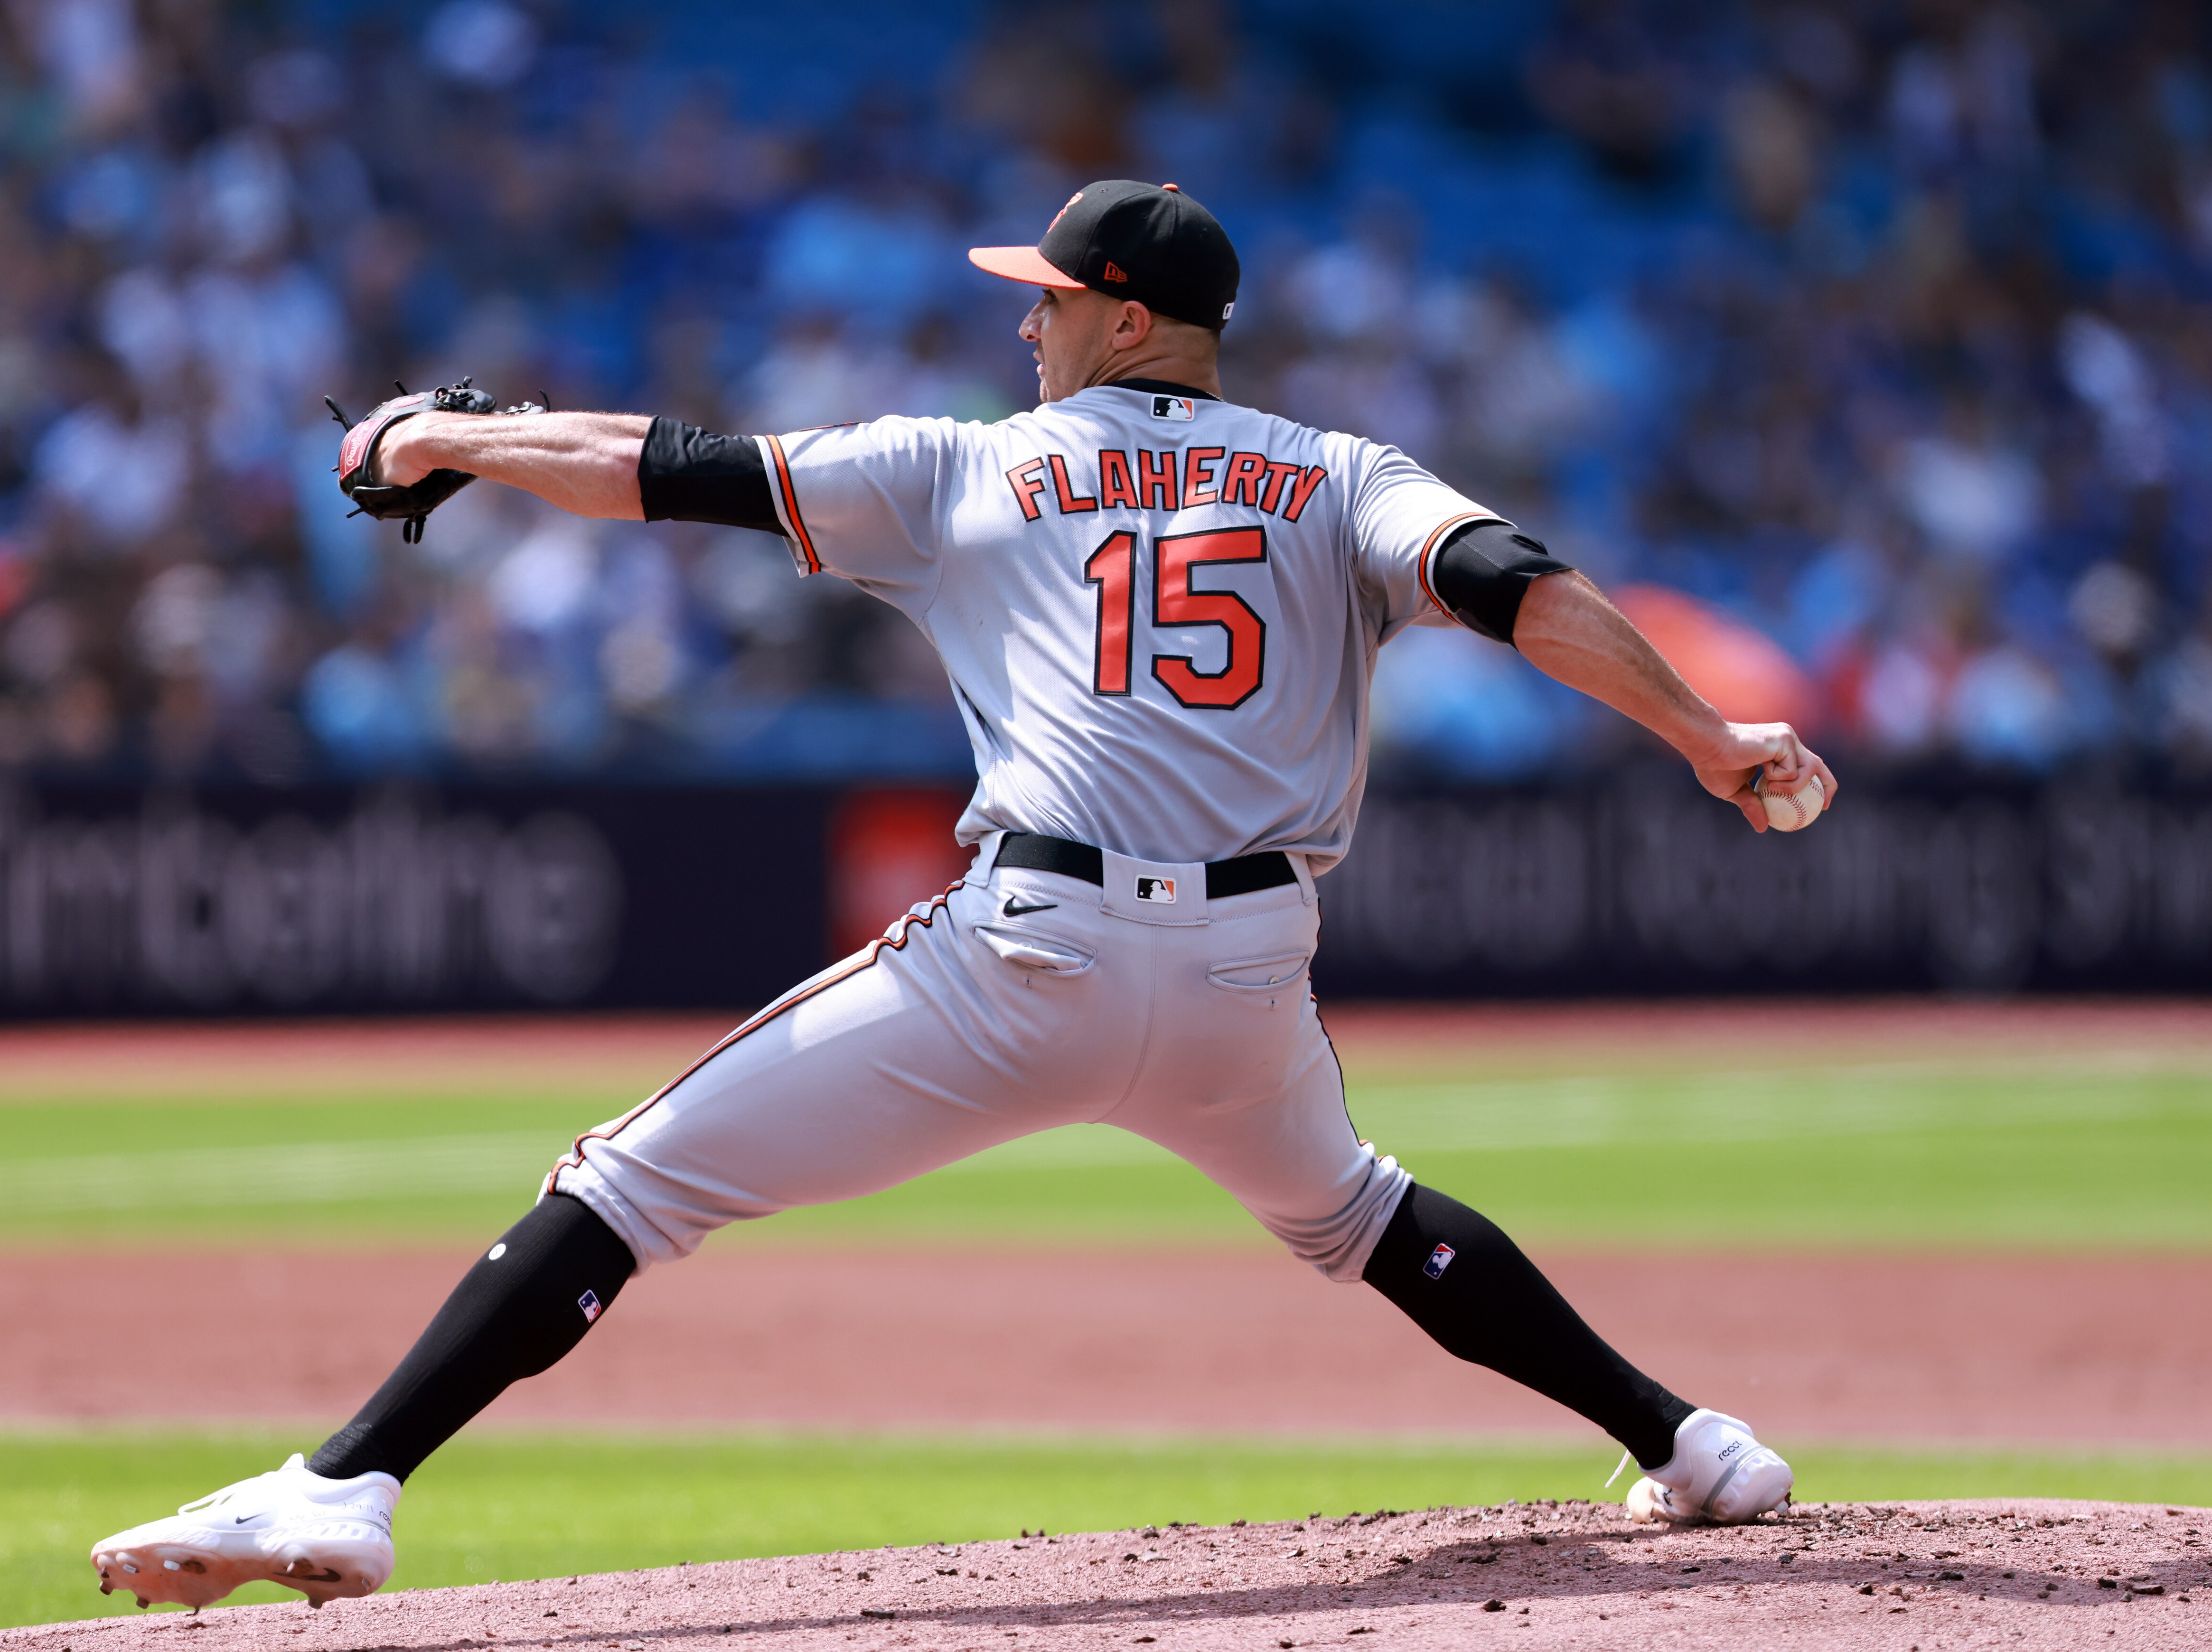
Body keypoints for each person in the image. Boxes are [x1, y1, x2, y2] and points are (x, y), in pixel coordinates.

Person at [91, 180, 1829, 1613]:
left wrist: (451, 440)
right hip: (1249, 973)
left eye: (1054, 298)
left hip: (1034, 953)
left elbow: (667, 464)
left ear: (1128, 319)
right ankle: (1688, 1442)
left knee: (632, 1177)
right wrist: (1705, 734)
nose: (1031, 325)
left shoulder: (975, 465)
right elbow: (1517, 581)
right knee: (1363, 1214)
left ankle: (346, 1482)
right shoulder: (1343, 471)